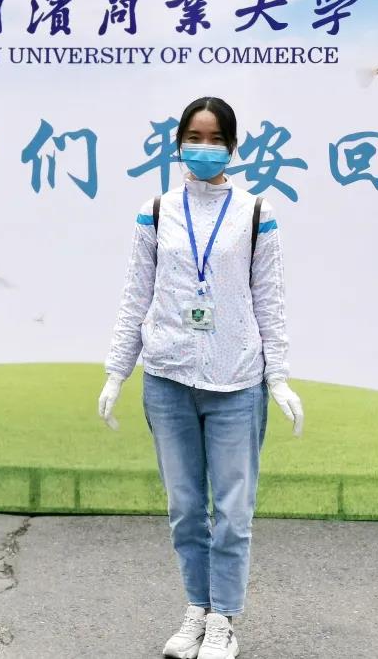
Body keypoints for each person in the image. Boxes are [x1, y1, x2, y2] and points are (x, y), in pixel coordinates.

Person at [98, 96, 304, 659]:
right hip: (168, 378)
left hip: (236, 381)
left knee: (233, 513)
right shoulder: (156, 211)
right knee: (186, 509)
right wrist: (117, 372)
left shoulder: (256, 212)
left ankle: (224, 620)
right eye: (195, 136)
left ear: (233, 147)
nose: (204, 147)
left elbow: (270, 301)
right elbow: (136, 295)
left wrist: (279, 378)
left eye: (216, 139)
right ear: (178, 144)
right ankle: (197, 608)